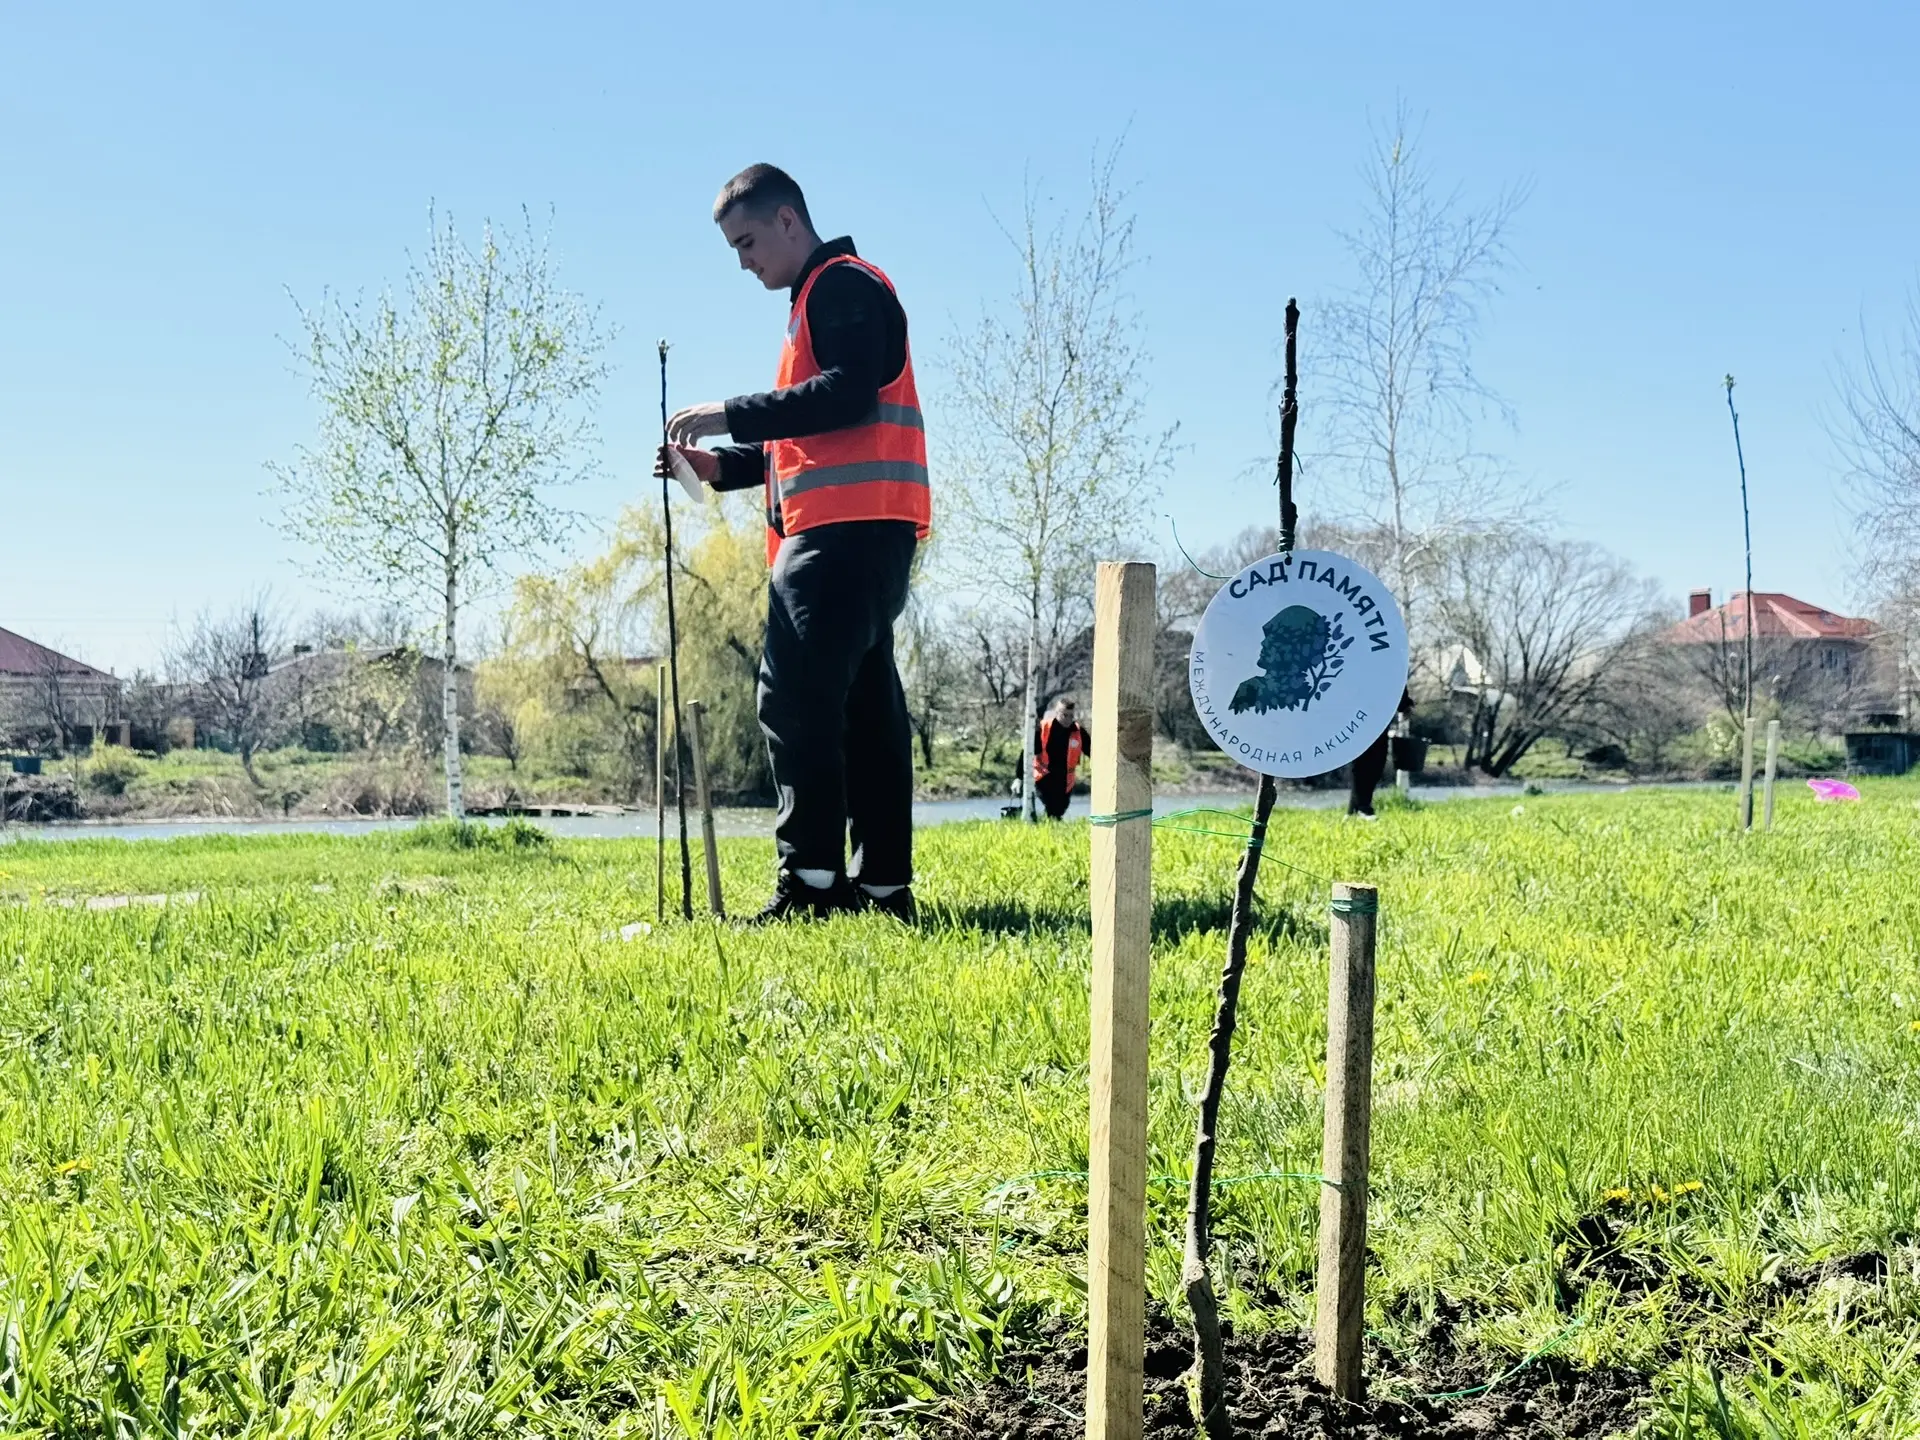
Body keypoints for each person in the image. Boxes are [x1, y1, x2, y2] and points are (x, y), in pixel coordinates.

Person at [656, 164, 929, 924]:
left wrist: (727, 413)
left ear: (786, 220)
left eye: (746, 242)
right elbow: (810, 435)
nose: (743, 262)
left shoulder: (839, 285)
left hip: (838, 539)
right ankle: (882, 888)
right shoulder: (831, 293)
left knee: (797, 699)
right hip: (872, 533)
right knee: (867, 710)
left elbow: (846, 394)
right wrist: (720, 468)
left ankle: (811, 886)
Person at [1347, 688, 1415, 818]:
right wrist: (1404, 703)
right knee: (1371, 760)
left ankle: (1356, 809)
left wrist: (1404, 702)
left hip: (1365, 708)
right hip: (1372, 709)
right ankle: (1363, 807)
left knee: (1367, 760)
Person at [1033, 696, 1091, 820]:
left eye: (1071, 716)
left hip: (1065, 778)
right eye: (1065, 715)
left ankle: (1049, 825)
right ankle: (1048, 823)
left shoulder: (1078, 731)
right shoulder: (1043, 727)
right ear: (1056, 713)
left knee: (1061, 808)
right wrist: (1019, 777)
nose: (1068, 719)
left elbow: (1091, 751)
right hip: (1044, 775)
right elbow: (1027, 752)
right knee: (1052, 806)